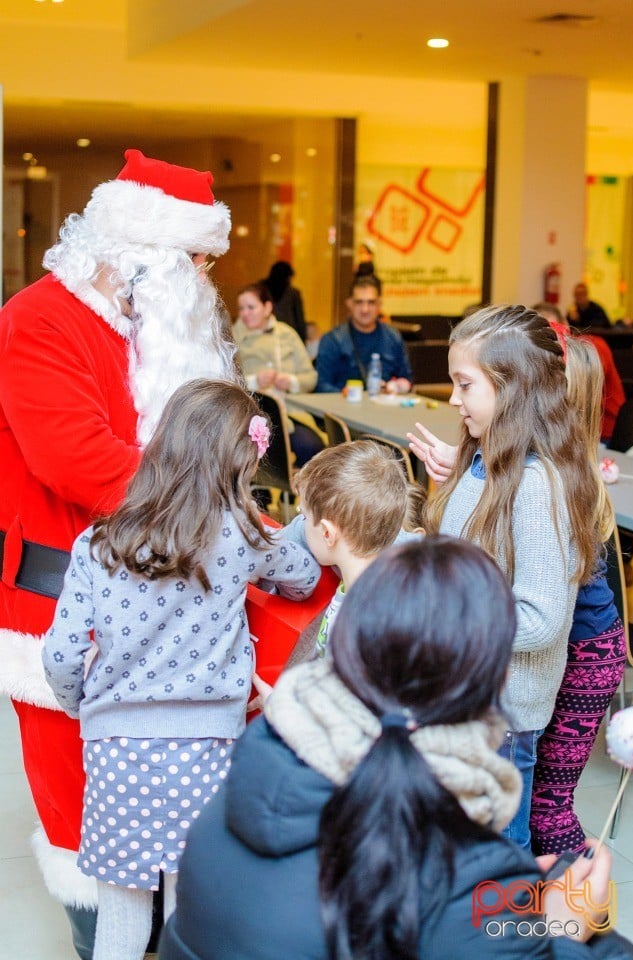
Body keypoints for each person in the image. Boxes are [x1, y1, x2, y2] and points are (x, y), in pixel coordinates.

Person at [159, 536, 630, 960]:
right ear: (498, 677)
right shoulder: (464, 876)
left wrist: (511, 900)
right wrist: (565, 930)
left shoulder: (243, 780)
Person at [0, 148, 238, 957]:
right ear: (144, 252)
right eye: (197, 258)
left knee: (166, 799)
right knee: (80, 811)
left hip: (161, 600)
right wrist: (211, 506)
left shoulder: (147, 325)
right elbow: (78, 461)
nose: (205, 276)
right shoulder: (40, 319)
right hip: (59, 607)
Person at [41, 379, 320, 960]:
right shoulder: (242, 536)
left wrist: (81, 703)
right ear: (235, 463)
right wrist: (260, 548)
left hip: (117, 752)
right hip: (208, 752)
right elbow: (307, 576)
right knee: (188, 916)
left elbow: (61, 656)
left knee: (121, 917)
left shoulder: (98, 543)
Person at [409, 304, 601, 851]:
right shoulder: (483, 463)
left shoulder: (538, 485)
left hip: (504, 713)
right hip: (466, 700)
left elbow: (540, 620)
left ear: (511, 388)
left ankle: (505, 938)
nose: (452, 399)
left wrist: (448, 610)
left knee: (497, 870)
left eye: (464, 385)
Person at [530, 336, 626, 855]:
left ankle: (579, 907)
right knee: (541, 797)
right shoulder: (565, 465)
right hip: (579, 648)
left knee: (549, 804)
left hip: (587, 655)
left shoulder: (563, 478)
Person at [294, 440, 409, 657]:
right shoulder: (380, 590)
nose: (302, 522)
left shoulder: (357, 625)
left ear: (327, 533)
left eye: (305, 516)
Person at [233, 282, 324, 466]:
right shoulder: (233, 338)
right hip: (251, 416)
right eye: (241, 308)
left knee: (313, 447)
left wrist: (290, 381)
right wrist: (255, 381)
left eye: (251, 307)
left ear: (267, 308)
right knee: (261, 454)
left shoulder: (287, 334)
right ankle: (261, 492)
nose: (245, 313)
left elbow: (311, 378)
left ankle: (299, 492)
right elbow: (227, 381)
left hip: (290, 413)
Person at [534, 301, 625, 442]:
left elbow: (578, 393)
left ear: (565, 326)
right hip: (563, 431)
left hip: (602, 433)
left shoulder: (589, 348)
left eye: (553, 330)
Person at [315, 274, 412, 393]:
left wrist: (395, 387)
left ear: (379, 304)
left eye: (371, 302)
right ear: (349, 303)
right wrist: (343, 394)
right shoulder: (333, 340)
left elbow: (406, 379)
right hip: (343, 408)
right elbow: (321, 385)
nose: (365, 309)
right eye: (359, 302)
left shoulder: (393, 337)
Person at [262, 260, 307, 341]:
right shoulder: (293, 293)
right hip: (287, 334)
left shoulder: (261, 289)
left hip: (265, 333)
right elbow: (299, 319)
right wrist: (302, 338)